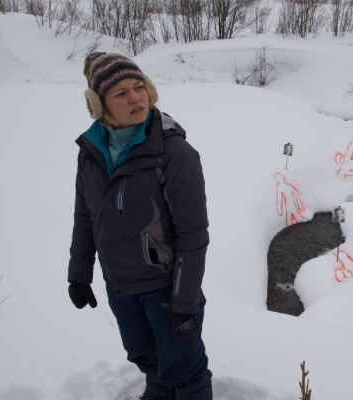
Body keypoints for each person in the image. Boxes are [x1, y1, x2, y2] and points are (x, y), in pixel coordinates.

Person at [67, 52, 212, 400]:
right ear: (99, 105)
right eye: (120, 93)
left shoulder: (173, 152)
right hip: (119, 286)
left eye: (139, 87)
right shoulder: (91, 152)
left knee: (186, 370)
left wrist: (185, 304)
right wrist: (79, 272)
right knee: (145, 358)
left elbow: (194, 235)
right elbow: (85, 215)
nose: (135, 98)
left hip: (166, 288)